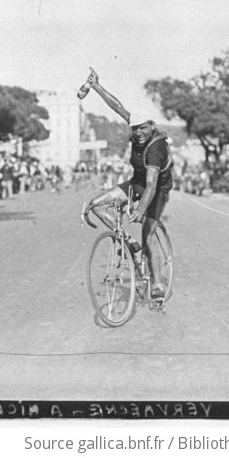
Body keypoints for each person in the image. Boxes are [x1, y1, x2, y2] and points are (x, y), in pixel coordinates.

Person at [82, 68, 173, 299]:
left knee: (149, 233)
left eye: (143, 128)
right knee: (97, 204)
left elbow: (152, 186)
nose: (139, 133)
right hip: (136, 183)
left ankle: (158, 283)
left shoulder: (155, 148)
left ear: (151, 125)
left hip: (157, 190)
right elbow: (118, 107)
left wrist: (140, 211)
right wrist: (96, 86)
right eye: (135, 129)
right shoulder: (136, 130)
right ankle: (130, 242)